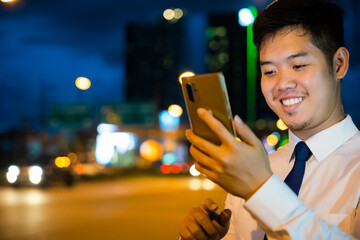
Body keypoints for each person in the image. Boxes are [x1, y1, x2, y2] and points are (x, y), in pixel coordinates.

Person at [179, 0, 360, 239]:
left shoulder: (255, 178)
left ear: (339, 64)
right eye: (269, 71)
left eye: (298, 65)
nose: (282, 84)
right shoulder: (259, 168)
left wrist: (260, 190)